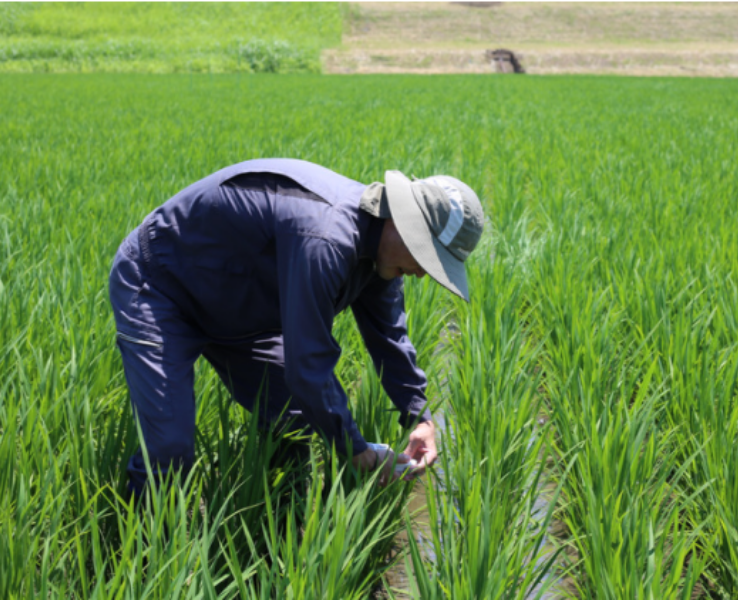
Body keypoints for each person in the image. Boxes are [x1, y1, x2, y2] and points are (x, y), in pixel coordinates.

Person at [108, 159, 484, 495]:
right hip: (160, 288)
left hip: (237, 310)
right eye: (426, 258)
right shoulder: (326, 238)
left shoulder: (380, 257)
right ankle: (143, 557)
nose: (421, 273)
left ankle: (279, 528)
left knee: (293, 416)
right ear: (403, 222)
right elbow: (308, 366)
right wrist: (355, 451)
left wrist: (418, 414)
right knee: (169, 451)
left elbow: (389, 337)